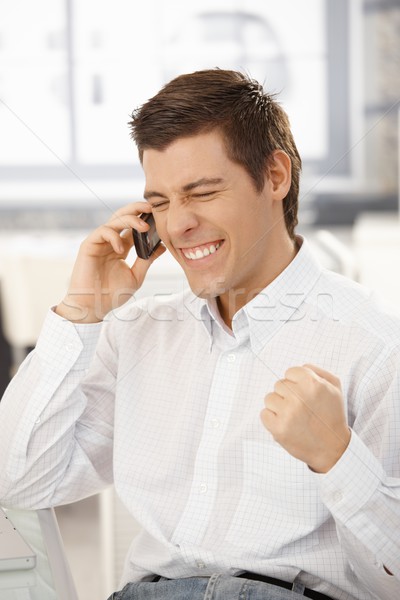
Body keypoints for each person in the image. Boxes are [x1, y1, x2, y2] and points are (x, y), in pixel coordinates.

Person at [0, 69, 399, 600]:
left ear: (275, 176)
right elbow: (20, 482)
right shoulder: (136, 335)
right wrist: (81, 311)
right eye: (160, 203)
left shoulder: (370, 345)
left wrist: (338, 457)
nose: (178, 225)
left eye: (203, 192)